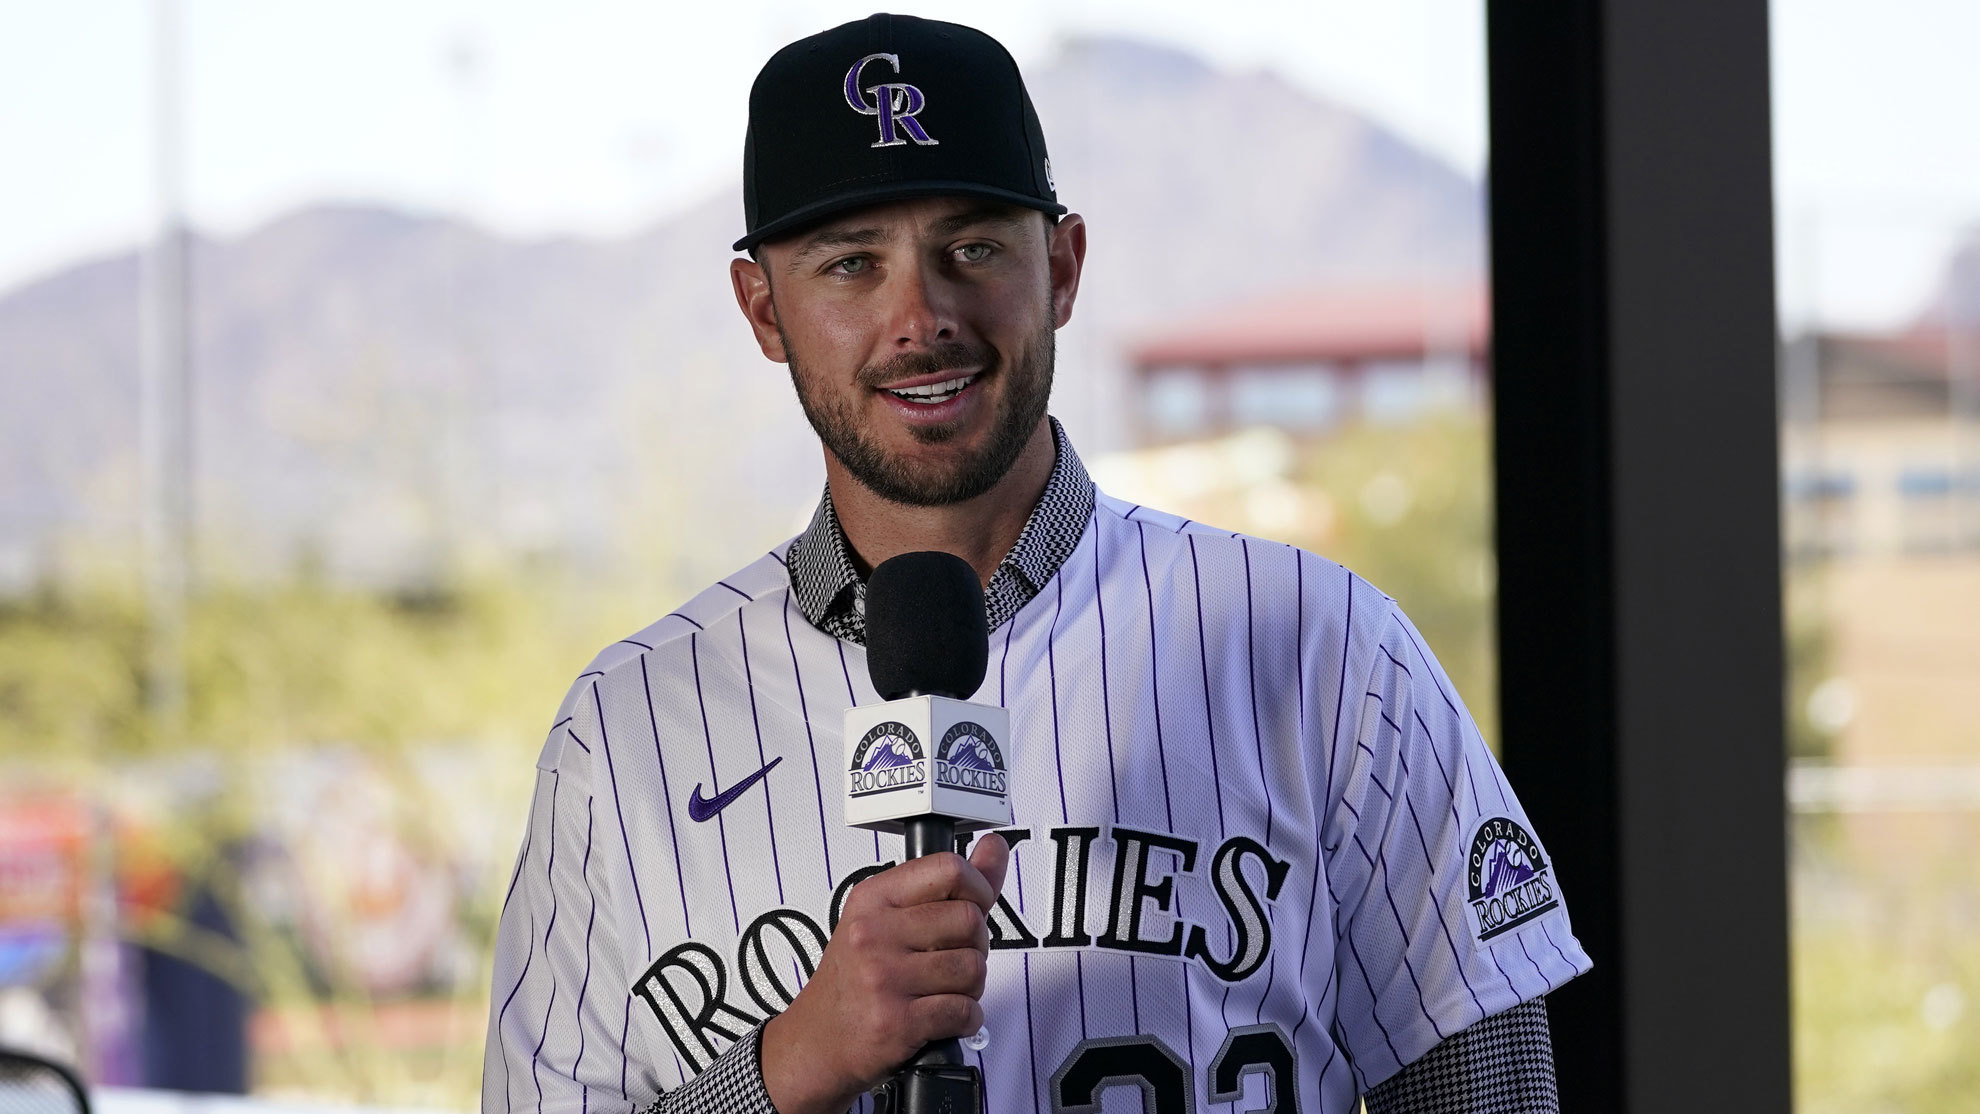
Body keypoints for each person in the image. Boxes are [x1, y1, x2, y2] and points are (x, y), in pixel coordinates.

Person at [482, 13, 1590, 1114]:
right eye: (851, 264)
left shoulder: (1326, 649)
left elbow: (1493, 1093)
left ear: (1060, 268)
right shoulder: (625, 729)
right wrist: (788, 1067)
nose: (920, 318)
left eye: (972, 249)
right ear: (764, 309)